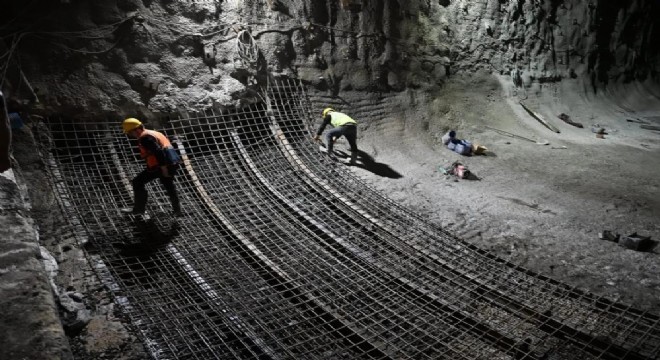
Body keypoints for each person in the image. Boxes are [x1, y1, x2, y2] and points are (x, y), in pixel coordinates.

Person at [121, 118, 182, 216]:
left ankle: (139, 209)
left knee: (137, 182)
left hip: (160, 165)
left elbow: (158, 152)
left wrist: (163, 168)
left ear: (137, 129)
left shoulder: (145, 138)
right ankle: (177, 211)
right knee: (169, 185)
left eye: (130, 133)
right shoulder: (154, 133)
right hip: (173, 162)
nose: (131, 135)